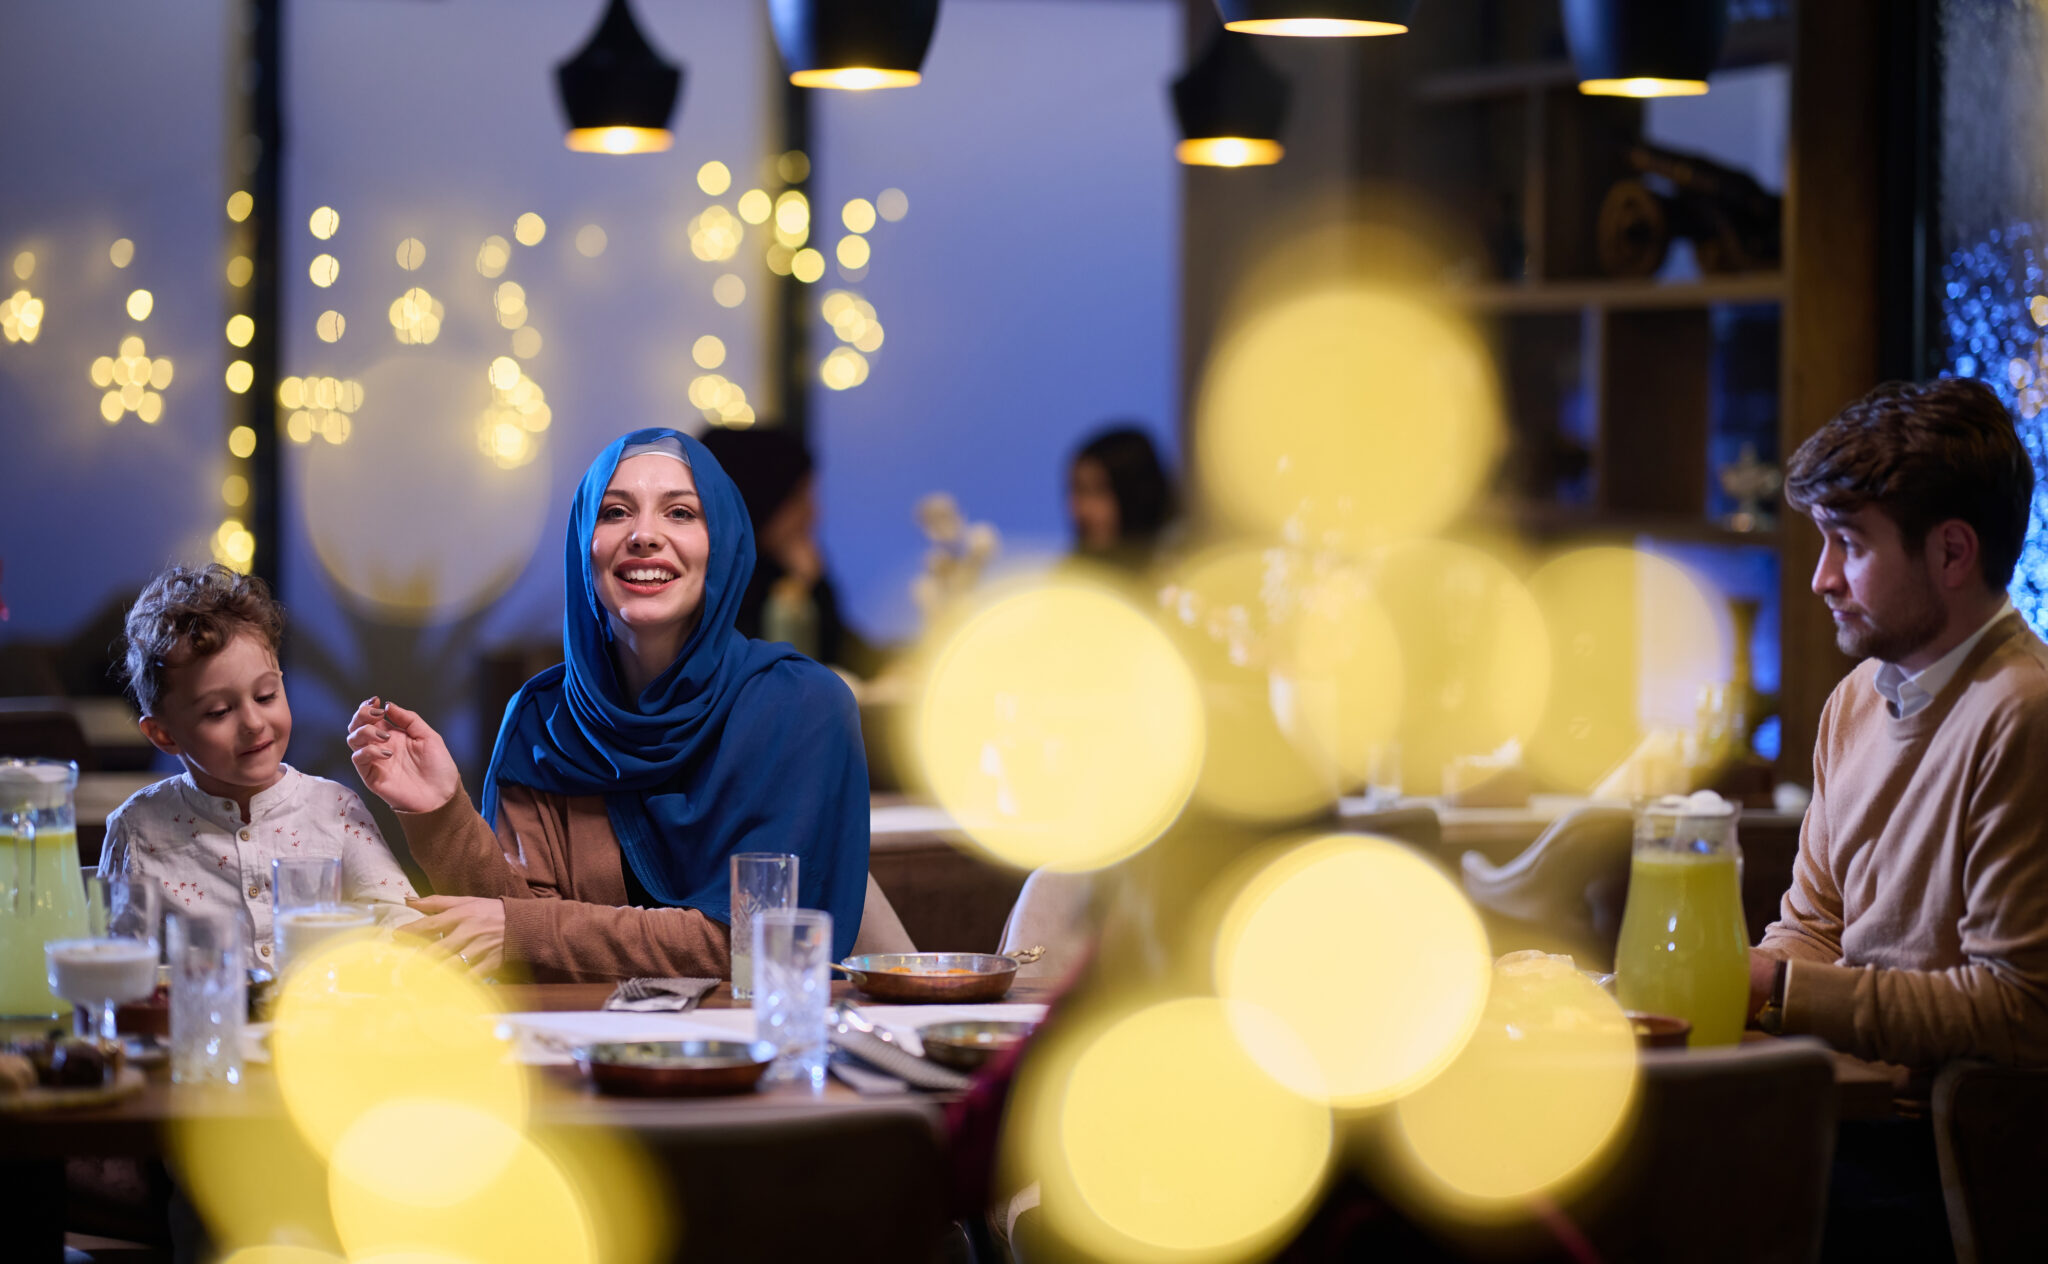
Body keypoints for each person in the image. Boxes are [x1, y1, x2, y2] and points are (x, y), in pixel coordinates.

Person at [347, 429, 869, 979]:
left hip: (752, 1049)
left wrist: (528, 930)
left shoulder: (803, 707)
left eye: (681, 514)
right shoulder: (542, 720)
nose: (644, 535)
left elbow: (757, 950)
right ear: (583, 547)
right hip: (585, 1048)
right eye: (616, 512)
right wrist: (443, 813)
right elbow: (513, 953)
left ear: (725, 542)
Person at [1752, 378, 2048, 1069]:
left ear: (1951, 553)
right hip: (1832, 1107)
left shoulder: (2023, 712)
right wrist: (1744, 977)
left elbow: (2019, 1010)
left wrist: (1775, 987)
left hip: (1933, 1152)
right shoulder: (1856, 699)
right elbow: (1813, 928)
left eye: (1849, 543)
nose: (1824, 577)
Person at [103, 564, 416, 971]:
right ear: (165, 735)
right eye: (219, 711)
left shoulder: (334, 809)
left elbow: (401, 924)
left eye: (266, 695)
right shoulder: (138, 828)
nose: (253, 723)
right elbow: (119, 970)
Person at [696, 426, 877, 675]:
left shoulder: (778, 568)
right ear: (763, 500)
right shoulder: (704, 588)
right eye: (799, 498)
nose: (814, 513)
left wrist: (810, 586)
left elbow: (853, 659)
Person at [1066, 424, 1177, 569]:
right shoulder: (1071, 579)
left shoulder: (1179, 574)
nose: (1081, 510)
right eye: (1077, 491)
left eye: (1098, 491)